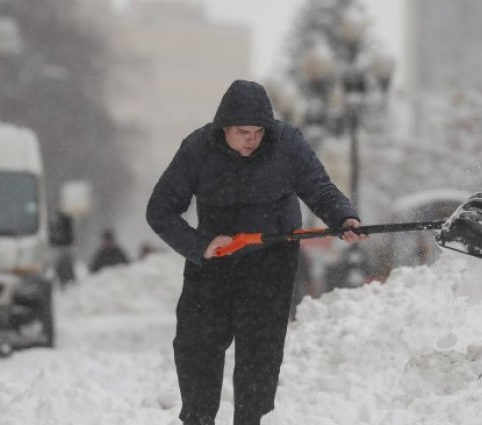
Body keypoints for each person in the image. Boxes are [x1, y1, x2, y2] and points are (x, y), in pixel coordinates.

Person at [146, 79, 366, 425]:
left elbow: (319, 188)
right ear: (223, 129)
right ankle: (197, 419)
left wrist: (344, 216)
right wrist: (200, 245)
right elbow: (160, 210)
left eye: (259, 132)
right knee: (197, 347)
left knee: (260, 353)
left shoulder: (287, 144)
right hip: (214, 262)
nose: (252, 140)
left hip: (271, 261)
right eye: (243, 132)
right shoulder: (197, 149)